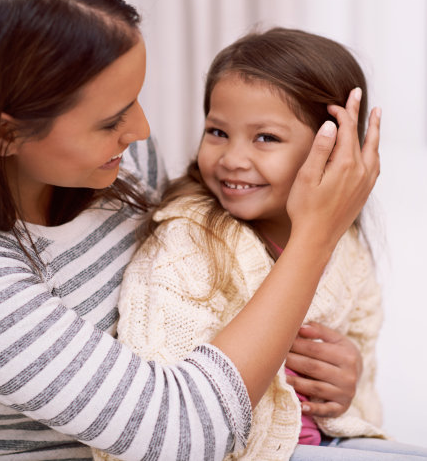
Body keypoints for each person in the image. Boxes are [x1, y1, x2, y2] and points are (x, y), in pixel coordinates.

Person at [0, 0, 380, 460]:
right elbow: (179, 435)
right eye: (110, 120)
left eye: (135, 98)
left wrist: (332, 375)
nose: (141, 131)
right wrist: (316, 237)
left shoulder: (115, 160)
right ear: (5, 134)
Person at [94, 28, 427, 460]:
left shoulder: (346, 243)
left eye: (265, 138)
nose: (232, 158)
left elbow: (360, 347)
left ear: (338, 150)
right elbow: (158, 398)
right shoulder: (189, 241)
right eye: (217, 131)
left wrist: (348, 381)